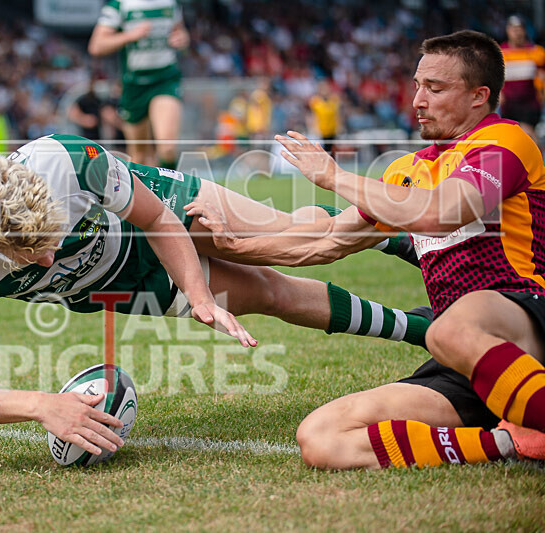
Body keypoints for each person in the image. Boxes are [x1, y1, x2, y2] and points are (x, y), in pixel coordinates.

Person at [0, 133, 433, 458]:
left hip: (150, 214)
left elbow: (156, 218)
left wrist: (200, 295)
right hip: (111, 284)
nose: (48, 259)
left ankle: (397, 233)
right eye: (28, 257)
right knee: (272, 294)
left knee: (290, 241)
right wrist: (41, 405)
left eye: (51, 241)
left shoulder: (72, 163)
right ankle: (427, 330)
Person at [188, 30, 545, 468]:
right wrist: (232, 243)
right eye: (417, 86)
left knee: (446, 329)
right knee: (321, 438)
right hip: (463, 359)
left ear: (479, 96)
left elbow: (442, 211)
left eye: (435, 89)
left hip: (526, 320)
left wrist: (335, 177)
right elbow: (328, 239)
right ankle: (511, 443)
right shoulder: (409, 169)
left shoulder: (504, 142)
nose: (418, 100)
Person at [87, 0, 189, 169]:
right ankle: (143, 185)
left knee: (167, 148)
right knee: (139, 155)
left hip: (165, 80)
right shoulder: (119, 6)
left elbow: (180, 31)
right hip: (134, 85)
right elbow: (96, 46)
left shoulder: (170, 3)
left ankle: (169, 186)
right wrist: (129, 36)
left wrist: (183, 39)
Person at [500, 15, 545, 142]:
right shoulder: (500, 53)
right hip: (508, 105)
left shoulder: (537, 52)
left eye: (519, 29)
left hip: (530, 104)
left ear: (525, 30)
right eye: (514, 29)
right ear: (508, 30)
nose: (517, 33)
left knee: (528, 134)